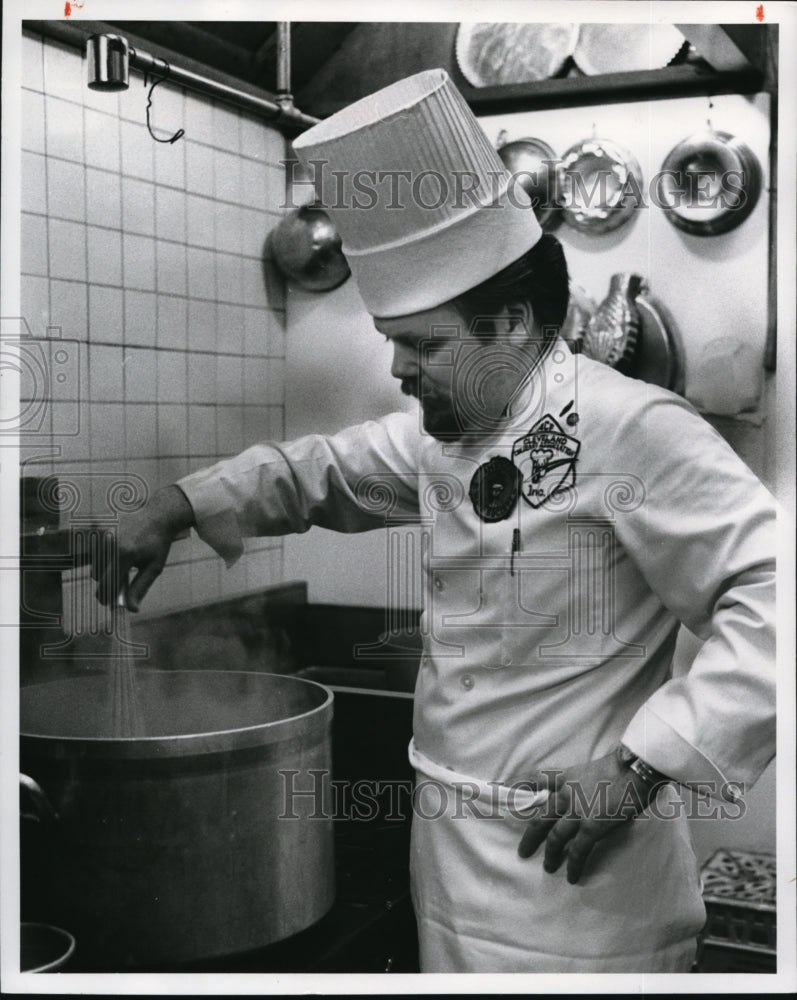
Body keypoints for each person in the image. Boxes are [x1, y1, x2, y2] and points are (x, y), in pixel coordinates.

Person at [94, 70, 776, 973]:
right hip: (449, 864)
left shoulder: (630, 429)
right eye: (393, 347)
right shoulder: (444, 438)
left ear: (515, 325)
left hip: (582, 886)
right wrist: (178, 504)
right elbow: (319, 471)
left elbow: (773, 594)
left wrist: (639, 768)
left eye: (421, 348)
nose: (400, 376)